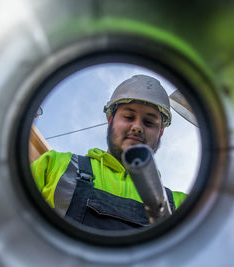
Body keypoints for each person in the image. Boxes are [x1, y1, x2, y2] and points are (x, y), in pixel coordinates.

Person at [31, 74, 187, 231]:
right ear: (110, 120)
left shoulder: (180, 205)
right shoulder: (54, 166)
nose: (137, 127)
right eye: (128, 116)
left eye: (149, 122)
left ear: (160, 132)